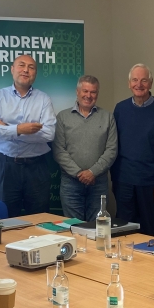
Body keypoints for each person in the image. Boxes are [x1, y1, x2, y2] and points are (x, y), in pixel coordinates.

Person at [0, 55, 56, 215]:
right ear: (12, 69)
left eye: (31, 67)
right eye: (21, 65)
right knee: (6, 217)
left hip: (37, 167)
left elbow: (49, 134)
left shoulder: (43, 99)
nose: (26, 70)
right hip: (7, 166)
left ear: (35, 73)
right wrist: (19, 129)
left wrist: (8, 128)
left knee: (40, 218)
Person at [111, 64, 154, 235]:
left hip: (149, 183)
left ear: (151, 83)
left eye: (144, 80)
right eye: (135, 80)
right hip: (123, 181)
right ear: (129, 84)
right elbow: (113, 145)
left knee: (149, 231)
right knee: (123, 231)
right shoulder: (120, 109)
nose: (139, 84)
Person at [52, 75, 118, 220]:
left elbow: (111, 150)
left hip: (98, 183)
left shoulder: (107, 117)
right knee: (73, 227)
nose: (88, 95)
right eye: (85, 91)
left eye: (93, 92)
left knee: (97, 228)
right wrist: (79, 174)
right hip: (70, 183)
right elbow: (58, 150)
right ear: (77, 91)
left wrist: (92, 172)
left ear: (97, 94)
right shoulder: (63, 117)